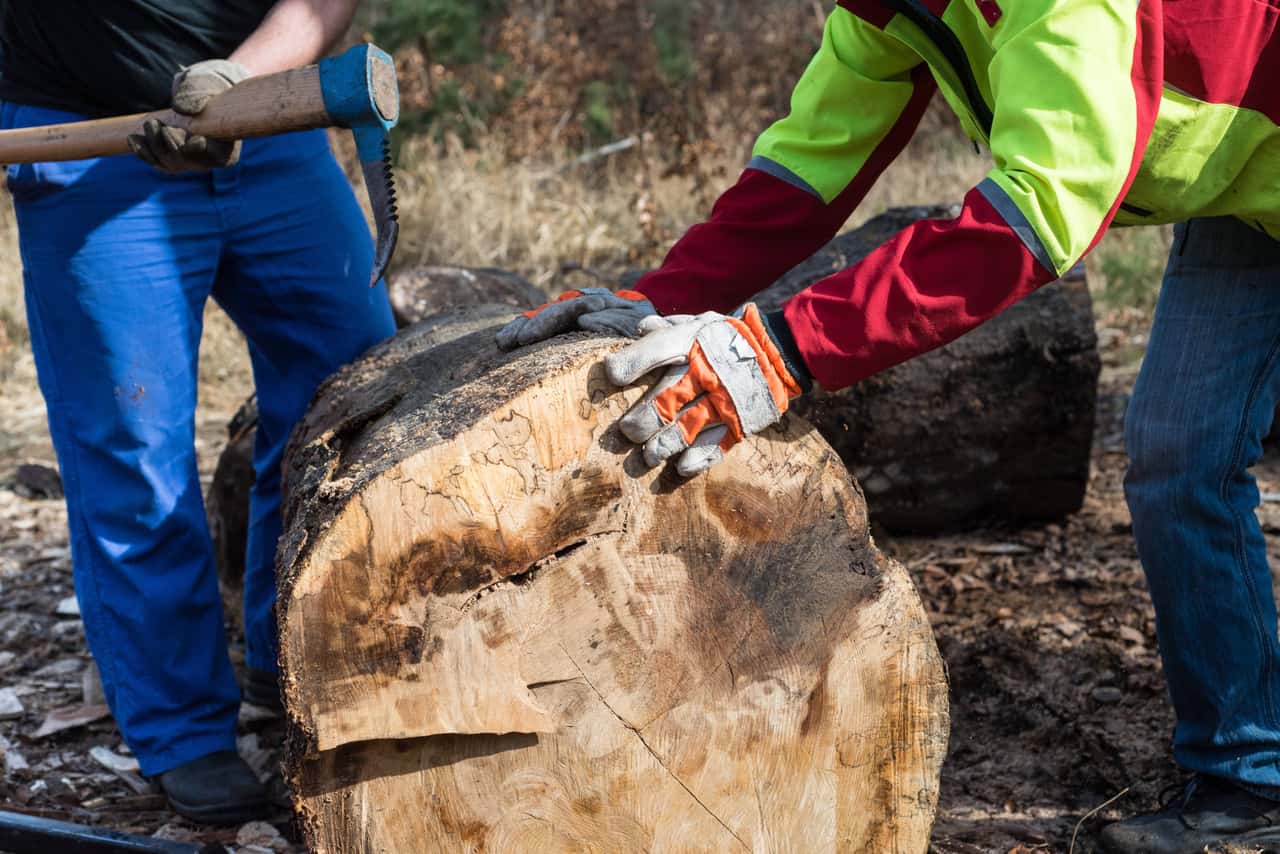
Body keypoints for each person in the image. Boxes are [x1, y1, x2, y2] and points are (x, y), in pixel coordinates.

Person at [500, 0, 1280, 850]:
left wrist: (784, 353)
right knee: (1179, 456)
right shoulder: (882, 11)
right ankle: (1252, 782)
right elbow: (808, 169)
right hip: (1251, 190)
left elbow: (1039, 210)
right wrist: (664, 296)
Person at [0, 0, 396, 824]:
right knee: (133, 443)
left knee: (353, 394)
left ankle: (287, 646)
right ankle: (182, 730)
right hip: (91, 136)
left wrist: (236, 83)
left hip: (269, 115)